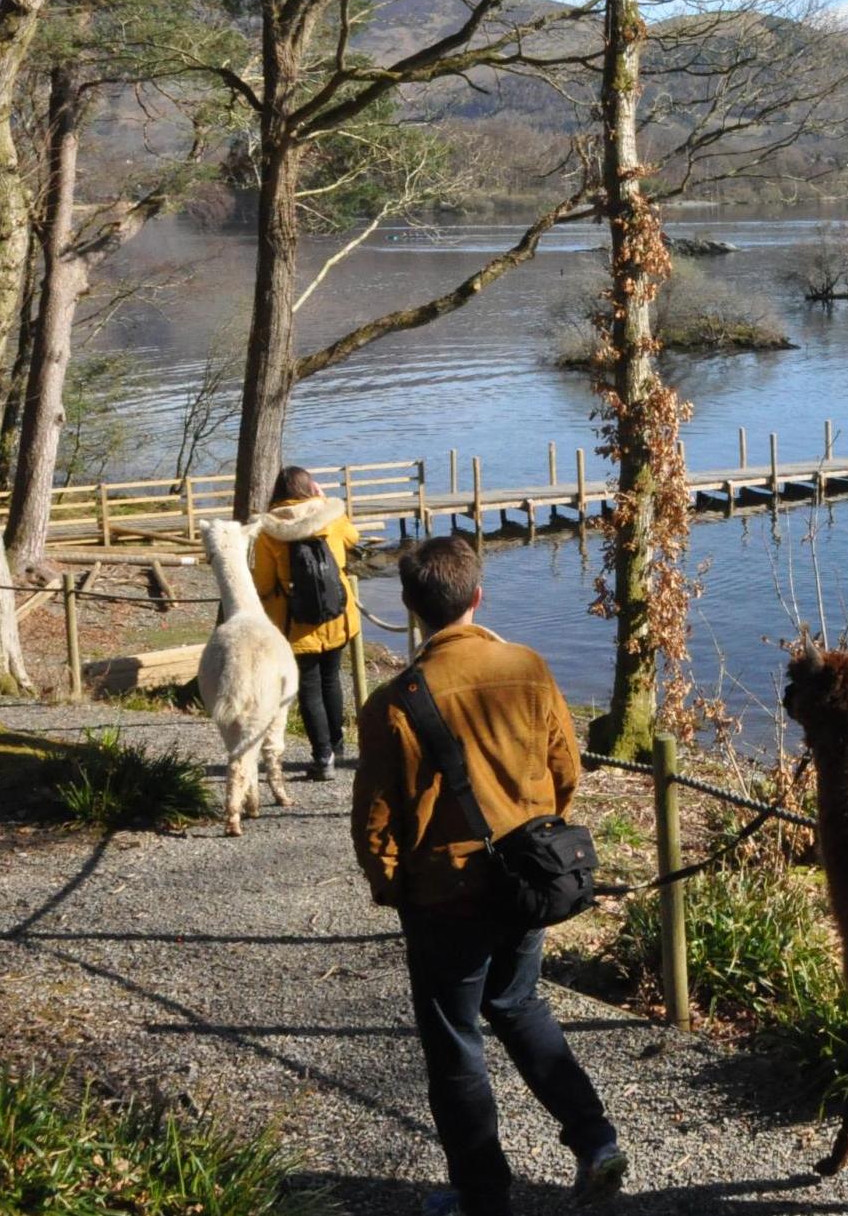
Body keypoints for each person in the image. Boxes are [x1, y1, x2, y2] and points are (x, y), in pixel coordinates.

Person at [352, 535, 626, 1213]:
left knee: (455, 1042)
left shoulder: (393, 703)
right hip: (524, 883)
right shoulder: (528, 666)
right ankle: (595, 1140)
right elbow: (566, 769)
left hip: (444, 896)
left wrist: (396, 888)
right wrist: (535, 837)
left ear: (413, 608)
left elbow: (377, 824)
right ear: (479, 595)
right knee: (520, 1004)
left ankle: (483, 1194)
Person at [252, 464, 364, 782]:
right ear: (310, 488)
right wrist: (327, 501)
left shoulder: (269, 529)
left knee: (310, 688)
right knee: (332, 679)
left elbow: (262, 583)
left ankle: (323, 757)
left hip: (295, 623)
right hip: (337, 616)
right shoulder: (331, 516)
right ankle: (339, 745)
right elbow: (354, 539)